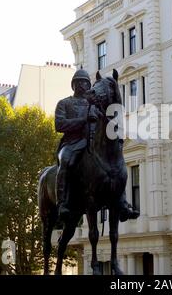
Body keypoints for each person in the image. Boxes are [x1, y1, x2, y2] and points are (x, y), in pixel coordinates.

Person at [54, 69, 139, 222]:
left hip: (93, 142)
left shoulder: (94, 104)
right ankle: (62, 203)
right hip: (71, 143)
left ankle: (122, 202)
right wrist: (84, 120)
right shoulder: (64, 103)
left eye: (85, 82)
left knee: (115, 165)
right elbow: (59, 124)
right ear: (73, 85)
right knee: (65, 161)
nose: (82, 85)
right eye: (79, 82)